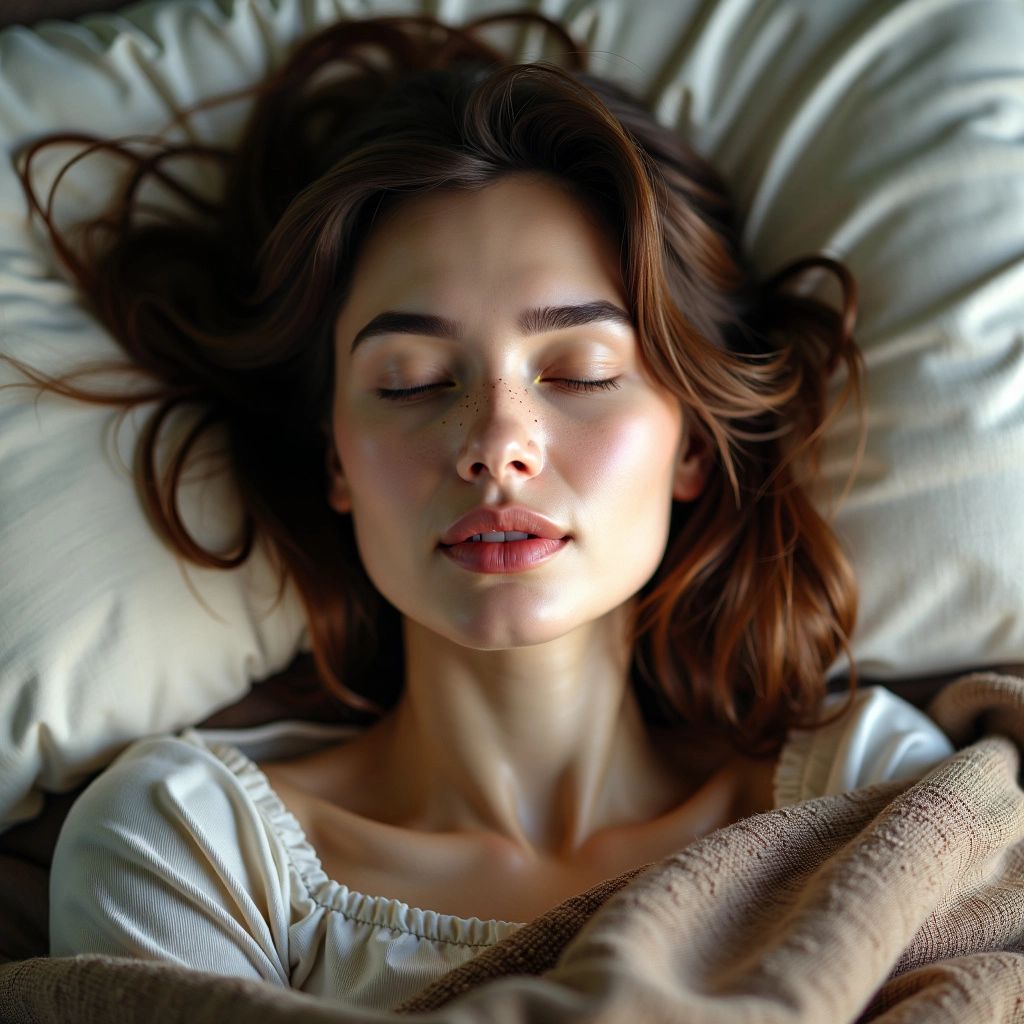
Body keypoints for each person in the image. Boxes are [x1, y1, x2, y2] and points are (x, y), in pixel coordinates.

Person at [5, 8, 953, 1014]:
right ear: (335, 457)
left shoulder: (867, 791)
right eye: (411, 380)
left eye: (580, 372)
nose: (495, 442)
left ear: (688, 442)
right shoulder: (187, 843)